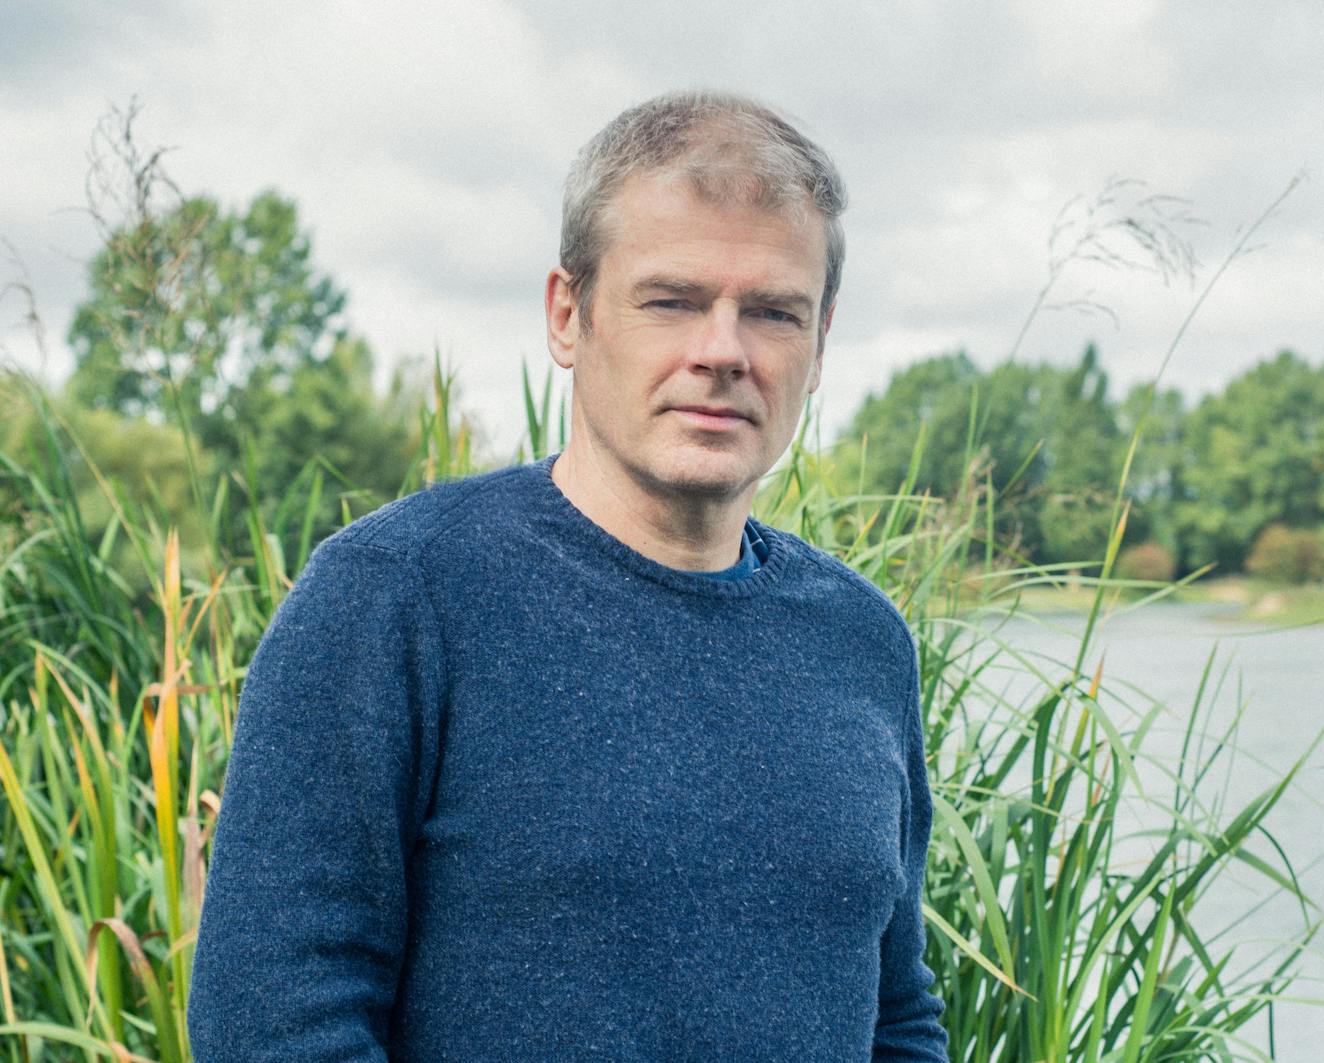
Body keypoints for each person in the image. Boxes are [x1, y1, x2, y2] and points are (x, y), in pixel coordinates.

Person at [188, 89, 949, 1062]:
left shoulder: (861, 641)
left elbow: (897, 1017)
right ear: (567, 313)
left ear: (820, 340)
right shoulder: (388, 600)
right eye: (671, 301)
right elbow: (274, 1028)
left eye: (770, 312)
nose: (721, 353)